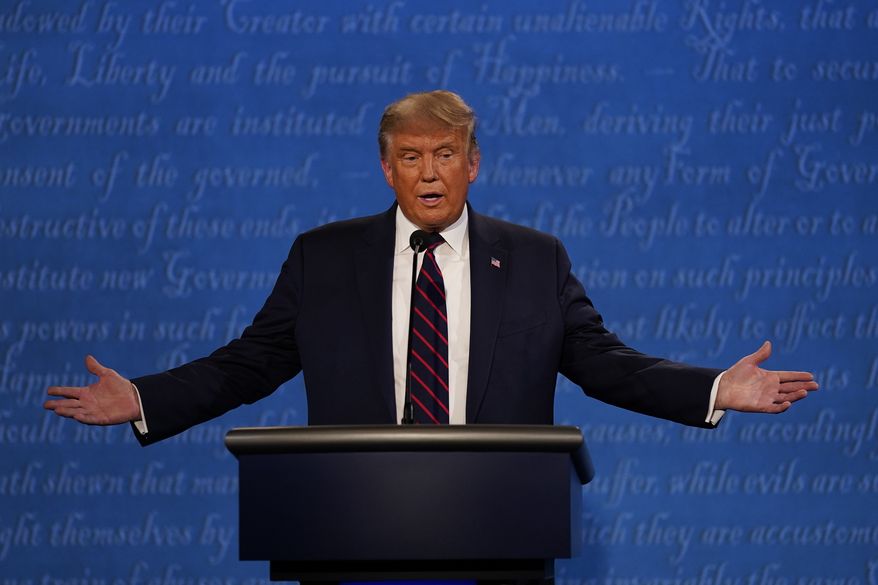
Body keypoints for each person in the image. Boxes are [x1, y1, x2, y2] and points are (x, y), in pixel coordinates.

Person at [43, 90, 817, 444]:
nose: (430, 171)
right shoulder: (325, 256)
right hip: (348, 523)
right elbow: (249, 364)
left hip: (500, 525)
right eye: (411, 156)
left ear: (473, 163)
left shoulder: (536, 260)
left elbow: (605, 365)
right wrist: (145, 398)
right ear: (386, 170)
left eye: (446, 153)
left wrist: (716, 386)